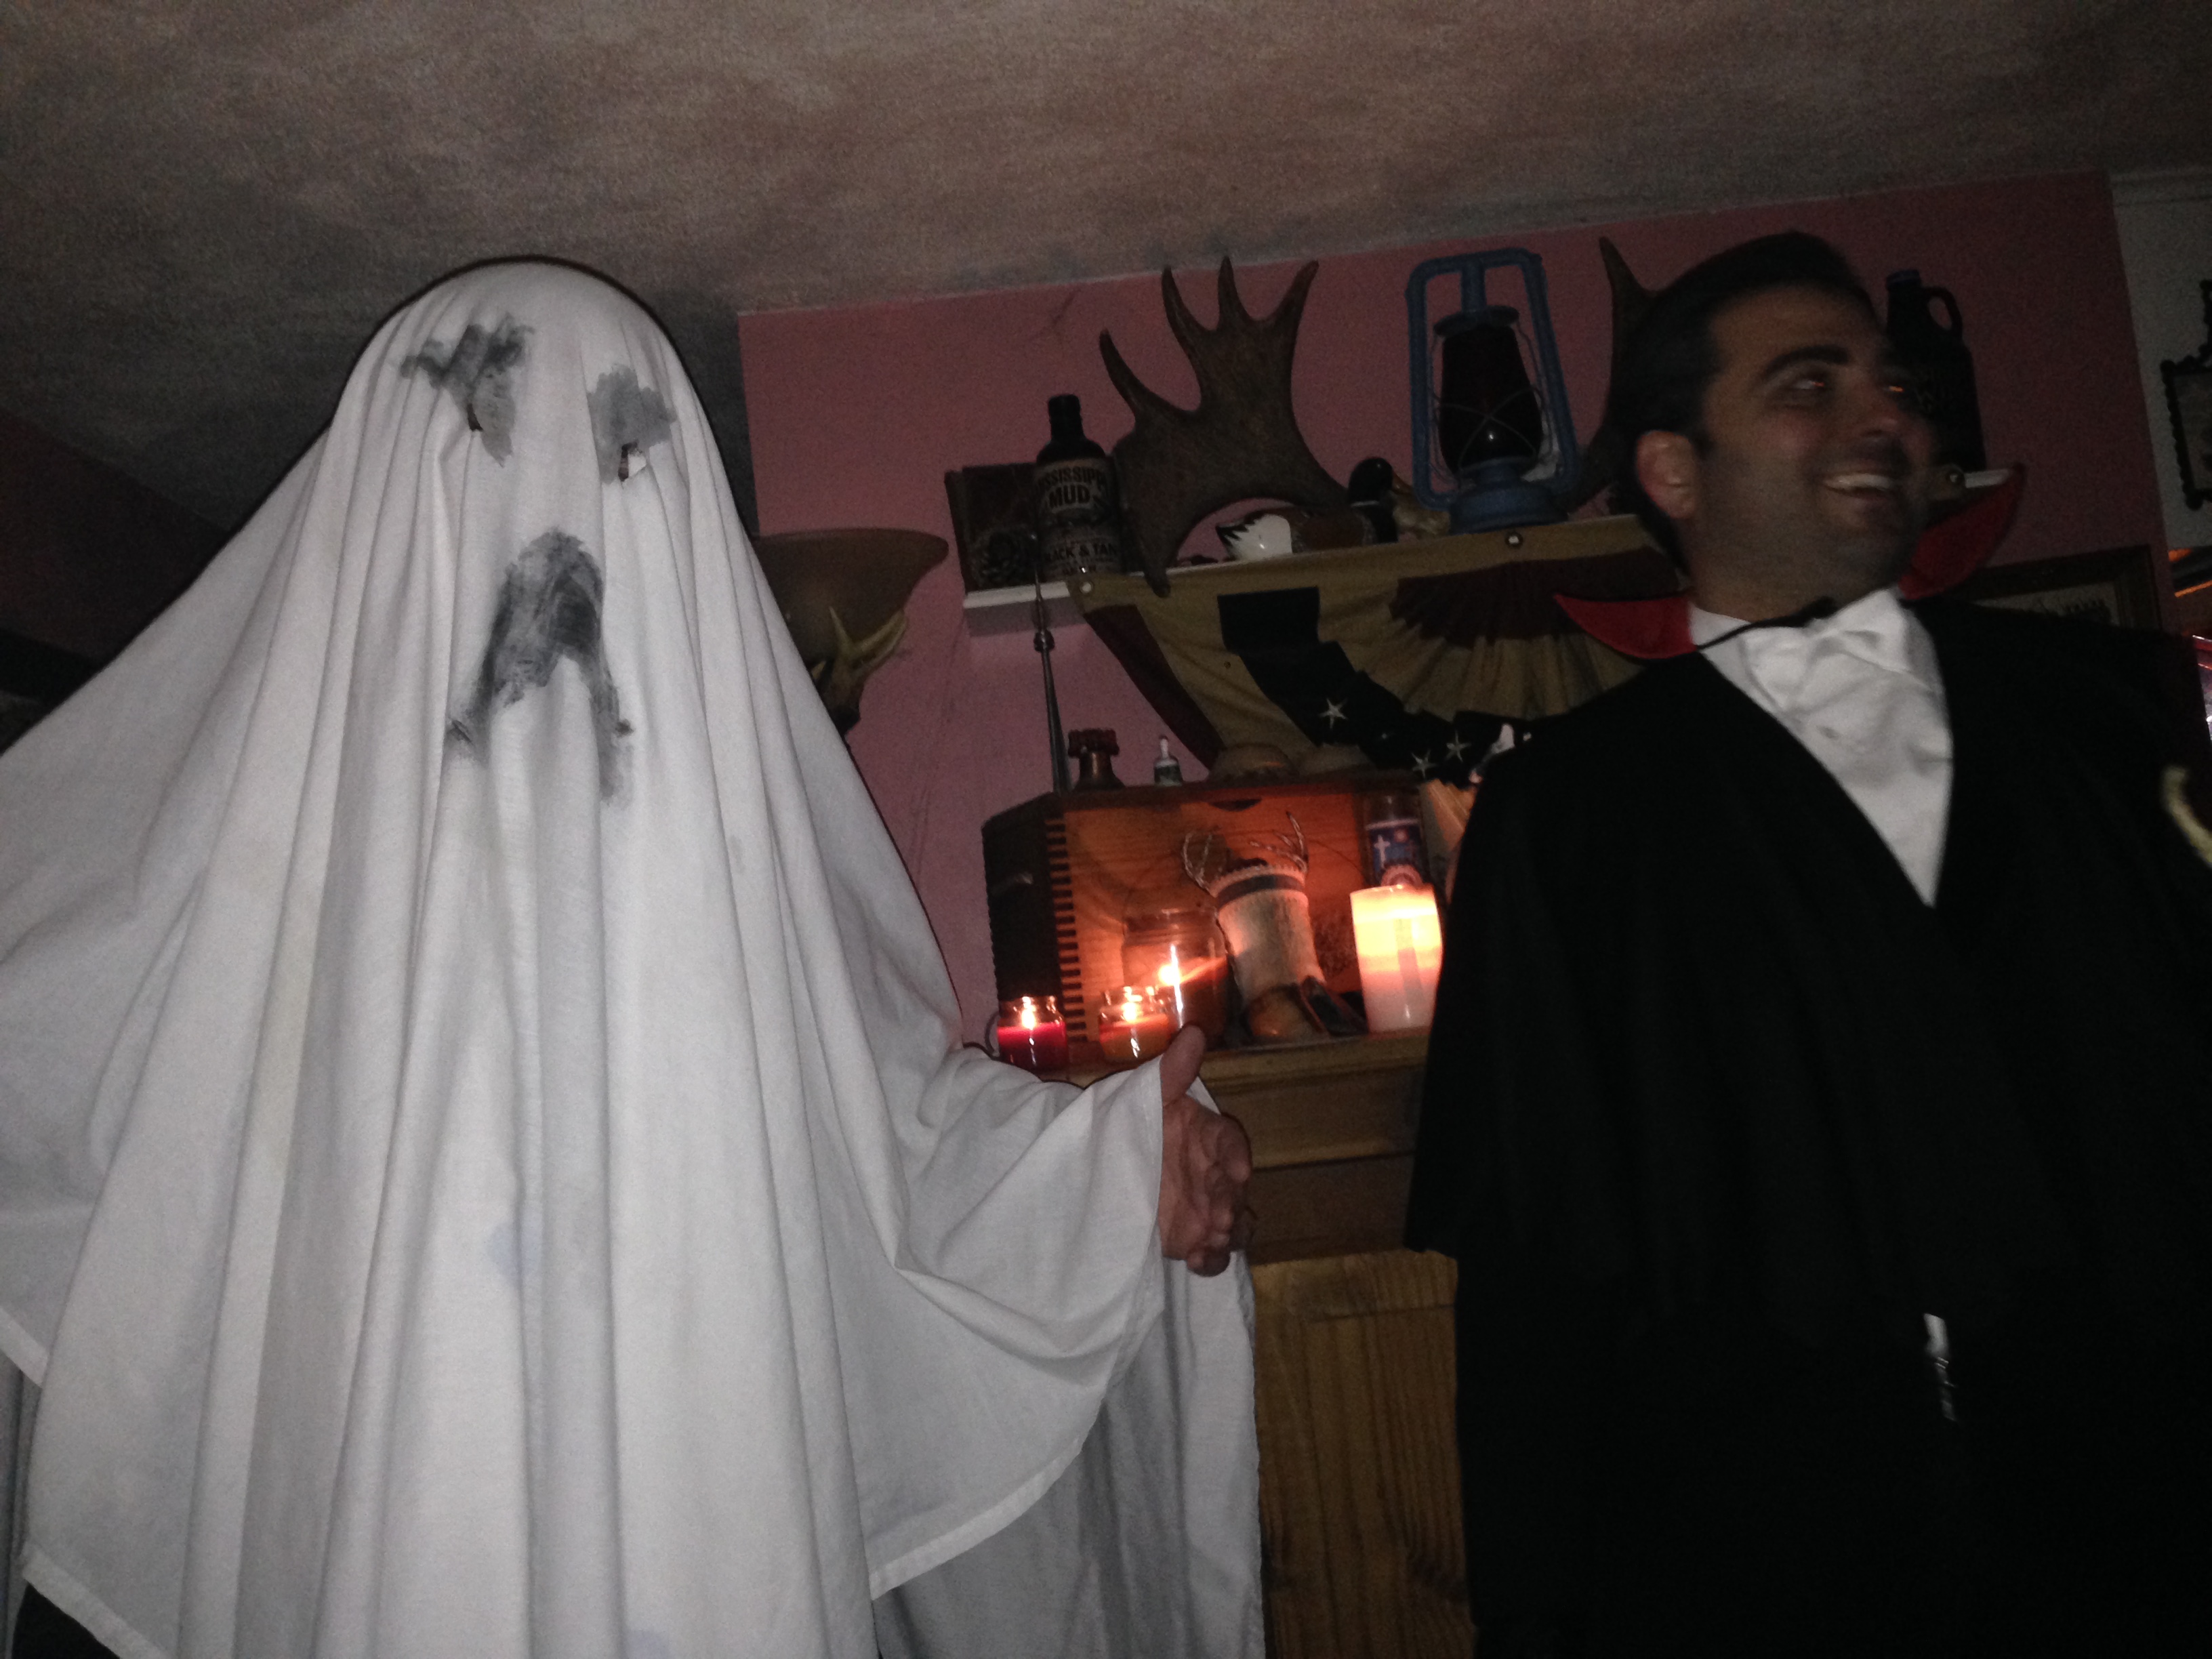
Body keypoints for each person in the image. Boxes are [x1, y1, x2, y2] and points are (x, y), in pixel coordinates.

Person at [0, 262, 1261, 1659]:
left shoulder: (746, 887)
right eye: (478, 448)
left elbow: (892, 1141)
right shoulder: (241, 896)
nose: (552, 546)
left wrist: (1109, 1173)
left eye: (619, 466)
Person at [1408, 232, 2212, 1656]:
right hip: (1757, 1566)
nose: (1882, 416)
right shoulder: (1564, 821)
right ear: (1672, 471)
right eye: (1807, 385)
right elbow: (1534, 1271)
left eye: (1891, 384)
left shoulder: (2113, 710)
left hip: (2145, 1525)